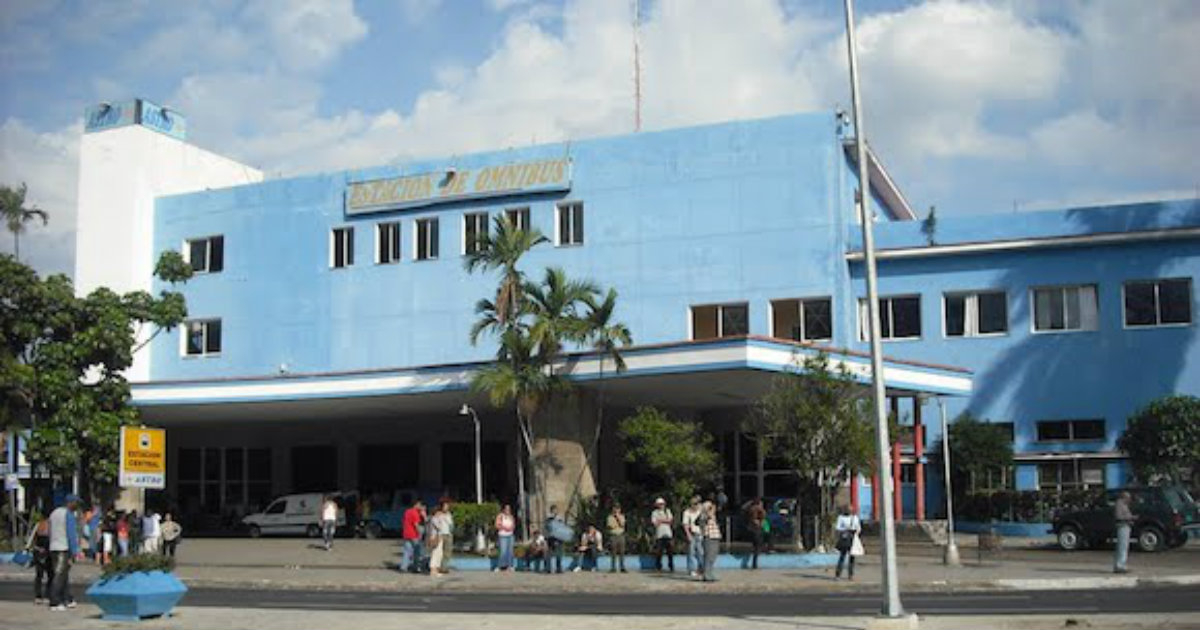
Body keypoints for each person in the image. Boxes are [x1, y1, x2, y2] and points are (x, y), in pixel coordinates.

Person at [47, 494, 80, 612]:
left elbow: (49, 531)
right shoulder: (68, 515)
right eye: (76, 503)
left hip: (53, 546)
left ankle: (68, 598)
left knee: (63, 574)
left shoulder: (54, 513)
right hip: (63, 547)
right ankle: (54, 601)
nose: (77, 505)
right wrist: (75, 551)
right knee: (59, 575)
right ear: (70, 503)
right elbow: (71, 534)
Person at [27, 512, 52, 604]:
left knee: (40, 575)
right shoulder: (50, 526)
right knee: (49, 575)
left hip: (39, 552)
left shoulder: (38, 526)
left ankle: (39, 596)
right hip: (45, 552)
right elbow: (31, 541)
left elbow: (31, 541)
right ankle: (46, 595)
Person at [834, 505, 862, 580]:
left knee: (852, 557)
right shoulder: (841, 517)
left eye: (850, 510)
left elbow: (858, 528)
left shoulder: (855, 518)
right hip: (844, 537)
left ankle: (850, 575)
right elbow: (837, 527)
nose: (849, 511)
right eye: (848, 509)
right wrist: (844, 529)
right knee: (842, 556)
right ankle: (838, 574)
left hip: (852, 537)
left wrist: (856, 533)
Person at [400, 500, 426, 573]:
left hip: (406, 533)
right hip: (414, 534)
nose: (420, 507)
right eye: (420, 505)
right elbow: (416, 524)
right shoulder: (415, 513)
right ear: (416, 504)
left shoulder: (407, 511)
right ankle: (416, 567)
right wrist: (420, 534)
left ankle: (403, 567)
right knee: (417, 551)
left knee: (407, 551)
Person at [1113, 491, 1136, 574]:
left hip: (1126, 526)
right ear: (1124, 497)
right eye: (1128, 497)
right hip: (1122, 526)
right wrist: (1130, 517)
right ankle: (1119, 565)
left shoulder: (1124, 505)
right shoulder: (1119, 504)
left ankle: (1122, 564)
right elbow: (1118, 516)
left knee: (1124, 546)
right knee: (1122, 546)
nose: (1129, 499)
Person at [651, 497, 675, 572]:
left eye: (662, 504)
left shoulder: (668, 511)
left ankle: (671, 566)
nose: (661, 506)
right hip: (659, 534)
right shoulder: (654, 513)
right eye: (659, 504)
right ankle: (658, 566)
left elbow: (670, 521)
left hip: (668, 534)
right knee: (659, 552)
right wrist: (665, 520)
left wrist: (660, 520)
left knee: (670, 552)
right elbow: (655, 523)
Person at [427, 504, 451, 577]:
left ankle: (436, 570)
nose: (440, 513)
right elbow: (439, 527)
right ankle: (432, 570)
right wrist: (441, 520)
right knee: (435, 554)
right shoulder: (434, 519)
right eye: (438, 512)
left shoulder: (436, 518)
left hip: (438, 537)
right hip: (435, 538)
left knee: (439, 554)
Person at [682, 495, 703, 577]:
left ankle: (701, 569)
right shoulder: (687, 513)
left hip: (700, 534)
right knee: (691, 552)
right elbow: (685, 525)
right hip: (692, 533)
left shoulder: (700, 511)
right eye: (694, 504)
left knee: (701, 553)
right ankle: (691, 569)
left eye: (697, 503)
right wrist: (688, 535)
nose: (696, 505)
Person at [701, 499, 721, 582]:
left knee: (713, 557)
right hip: (708, 537)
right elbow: (702, 521)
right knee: (708, 556)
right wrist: (709, 511)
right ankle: (706, 574)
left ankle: (710, 573)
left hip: (715, 536)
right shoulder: (704, 516)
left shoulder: (713, 516)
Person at [544, 505, 568, 574]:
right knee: (549, 554)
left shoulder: (560, 519)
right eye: (553, 510)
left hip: (559, 539)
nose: (554, 512)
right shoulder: (548, 520)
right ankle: (548, 568)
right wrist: (546, 538)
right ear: (551, 511)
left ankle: (559, 568)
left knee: (559, 554)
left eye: (555, 510)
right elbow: (546, 529)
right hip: (551, 539)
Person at [605, 504, 628, 573]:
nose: (616, 510)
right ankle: (613, 567)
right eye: (615, 509)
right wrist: (616, 524)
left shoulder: (622, 516)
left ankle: (622, 567)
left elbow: (622, 524)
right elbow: (610, 526)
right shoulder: (610, 517)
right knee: (613, 552)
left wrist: (618, 518)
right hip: (613, 535)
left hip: (621, 535)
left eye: (618, 509)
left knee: (622, 552)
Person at [494, 504, 516, 572]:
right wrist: (504, 528)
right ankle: (501, 566)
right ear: (503, 509)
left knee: (510, 551)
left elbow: (513, 525)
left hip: (510, 535)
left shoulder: (511, 517)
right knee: (503, 551)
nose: (508, 510)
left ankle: (510, 566)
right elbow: (497, 525)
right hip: (503, 535)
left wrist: (511, 528)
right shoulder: (500, 516)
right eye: (506, 509)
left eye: (509, 509)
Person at [747, 498, 767, 570]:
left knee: (756, 546)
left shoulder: (750, 509)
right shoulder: (758, 510)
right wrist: (760, 523)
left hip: (751, 529)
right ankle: (754, 564)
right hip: (757, 530)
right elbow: (762, 518)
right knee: (757, 546)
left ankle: (754, 563)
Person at [437, 501, 455, 572]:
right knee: (439, 552)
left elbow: (451, 525)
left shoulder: (449, 514)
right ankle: (439, 566)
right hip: (441, 534)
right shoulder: (438, 514)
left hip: (448, 534)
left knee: (447, 552)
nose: (446, 508)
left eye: (447, 506)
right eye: (445, 506)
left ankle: (444, 567)